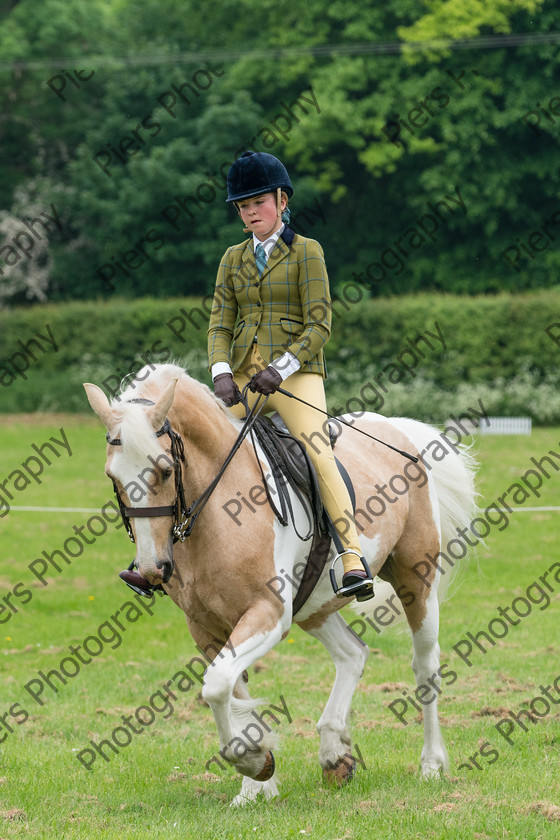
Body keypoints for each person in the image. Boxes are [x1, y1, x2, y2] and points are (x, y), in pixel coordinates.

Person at [207, 150, 374, 602]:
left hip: (295, 377)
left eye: (257, 203)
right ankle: (164, 553)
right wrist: (221, 370)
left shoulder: (307, 252)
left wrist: (280, 369)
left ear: (282, 201)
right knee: (190, 438)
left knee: (319, 452)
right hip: (243, 377)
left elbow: (319, 324)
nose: (249, 213)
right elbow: (221, 323)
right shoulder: (231, 258)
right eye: (242, 206)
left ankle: (352, 556)